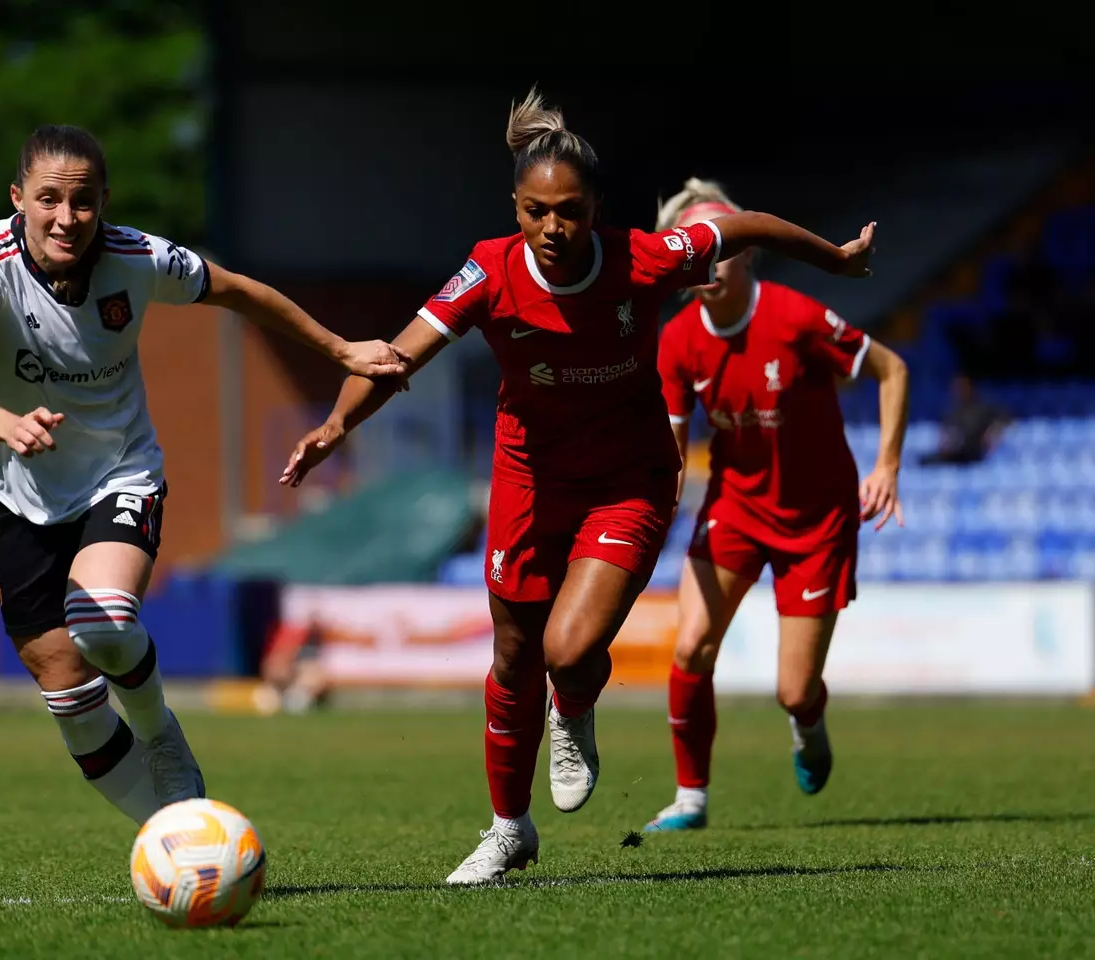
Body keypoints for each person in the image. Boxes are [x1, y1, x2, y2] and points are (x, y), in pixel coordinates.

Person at [280, 90, 878, 884]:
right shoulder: (487, 271)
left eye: (569, 211)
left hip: (628, 480)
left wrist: (833, 260)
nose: (552, 229)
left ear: (597, 208)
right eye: (535, 212)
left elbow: (745, 226)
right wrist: (335, 427)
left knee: (567, 649)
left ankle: (577, 708)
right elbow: (397, 355)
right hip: (528, 477)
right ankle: (507, 829)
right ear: (515, 208)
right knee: (515, 653)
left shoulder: (643, 258)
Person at [0, 124, 410, 827]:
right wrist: (6, 424)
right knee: (66, 689)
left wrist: (339, 348)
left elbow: (240, 292)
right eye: (49, 200)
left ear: (105, 202)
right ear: (18, 199)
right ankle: (178, 834)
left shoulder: (139, 257)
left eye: (84, 201)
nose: (67, 217)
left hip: (118, 473)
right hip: (14, 490)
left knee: (101, 623)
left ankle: (160, 734)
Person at [646, 179, 909, 831]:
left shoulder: (797, 319)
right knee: (690, 649)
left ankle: (809, 721)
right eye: (695, 253)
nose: (709, 263)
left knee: (792, 690)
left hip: (816, 519)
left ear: (750, 251)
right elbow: (672, 457)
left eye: (722, 248)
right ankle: (691, 797)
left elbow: (892, 369)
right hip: (733, 508)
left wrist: (888, 466)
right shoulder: (676, 342)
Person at [920, 373, 1006, 465]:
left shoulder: (983, 409)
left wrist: (991, 434)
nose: (960, 391)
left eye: (964, 387)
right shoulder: (953, 411)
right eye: (958, 387)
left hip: (975, 454)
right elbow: (946, 437)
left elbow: (1003, 421)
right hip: (955, 453)